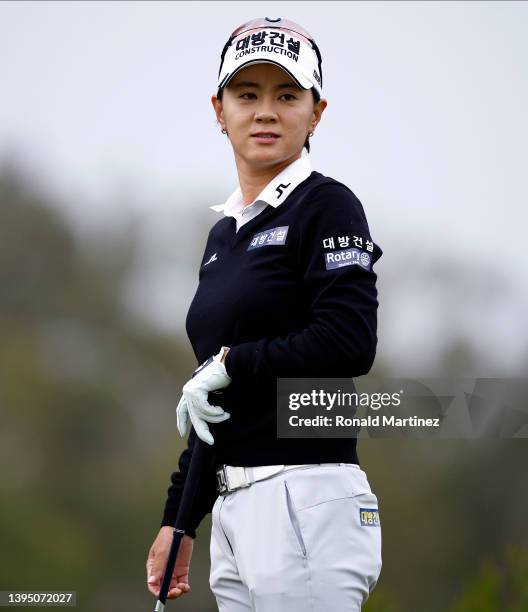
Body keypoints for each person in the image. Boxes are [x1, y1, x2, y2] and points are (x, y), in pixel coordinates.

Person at [146, 17, 383, 611]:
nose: (265, 112)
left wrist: (234, 361)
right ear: (219, 110)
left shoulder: (327, 206)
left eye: (286, 96)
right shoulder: (224, 234)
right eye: (247, 95)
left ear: (316, 112)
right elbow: (216, 399)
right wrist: (180, 520)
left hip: (306, 494)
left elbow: (349, 342)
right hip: (235, 508)